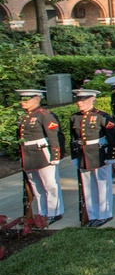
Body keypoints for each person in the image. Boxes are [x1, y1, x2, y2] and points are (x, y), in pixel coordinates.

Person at [69, 89, 115, 227]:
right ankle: (92, 215)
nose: (80, 103)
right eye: (78, 100)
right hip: (83, 155)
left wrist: (112, 155)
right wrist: (74, 156)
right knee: (88, 187)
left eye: (83, 100)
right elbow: (73, 139)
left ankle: (104, 213)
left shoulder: (102, 117)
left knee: (102, 185)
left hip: (99, 154)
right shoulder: (74, 117)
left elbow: (113, 138)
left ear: (92, 99)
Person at [16, 89, 65, 224]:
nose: (23, 102)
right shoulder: (23, 116)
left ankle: (54, 212)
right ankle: (42, 212)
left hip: (42, 152)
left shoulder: (44, 115)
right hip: (28, 153)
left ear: (37, 99)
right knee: (36, 186)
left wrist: (55, 155)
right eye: (22, 99)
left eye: (27, 100)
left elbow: (53, 136)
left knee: (50, 184)